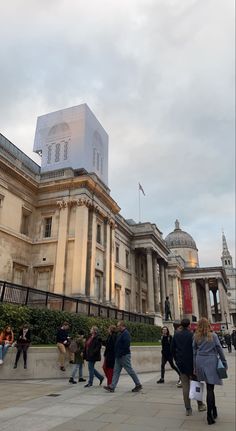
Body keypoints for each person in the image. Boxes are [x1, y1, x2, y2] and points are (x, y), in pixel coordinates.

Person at [193, 318, 228, 425]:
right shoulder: (213, 336)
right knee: (210, 388)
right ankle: (210, 414)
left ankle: (213, 409)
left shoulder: (196, 336)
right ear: (208, 325)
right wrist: (224, 362)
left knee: (208, 387)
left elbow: (194, 351)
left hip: (200, 361)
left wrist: (194, 366)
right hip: (211, 361)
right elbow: (219, 349)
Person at [171, 318, 206, 416]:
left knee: (185, 386)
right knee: (196, 384)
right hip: (192, 363)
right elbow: (197, 349)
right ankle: (200, 405)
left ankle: (188, 409)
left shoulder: (176, 335)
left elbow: (172, 349)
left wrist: (177, 360)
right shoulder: (192, 335)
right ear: (189, 325)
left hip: (181, 363)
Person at [104, 320, 142, 393]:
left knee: (130, 370)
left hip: (124, 356)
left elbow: (126, 345)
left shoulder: (126, 334)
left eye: (118, 326)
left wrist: (120, 353)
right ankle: (112, 386)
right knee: (116, 371)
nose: (117, 327)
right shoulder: (120, 333)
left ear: (122, 326)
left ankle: (138, 384)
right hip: (118, 356)